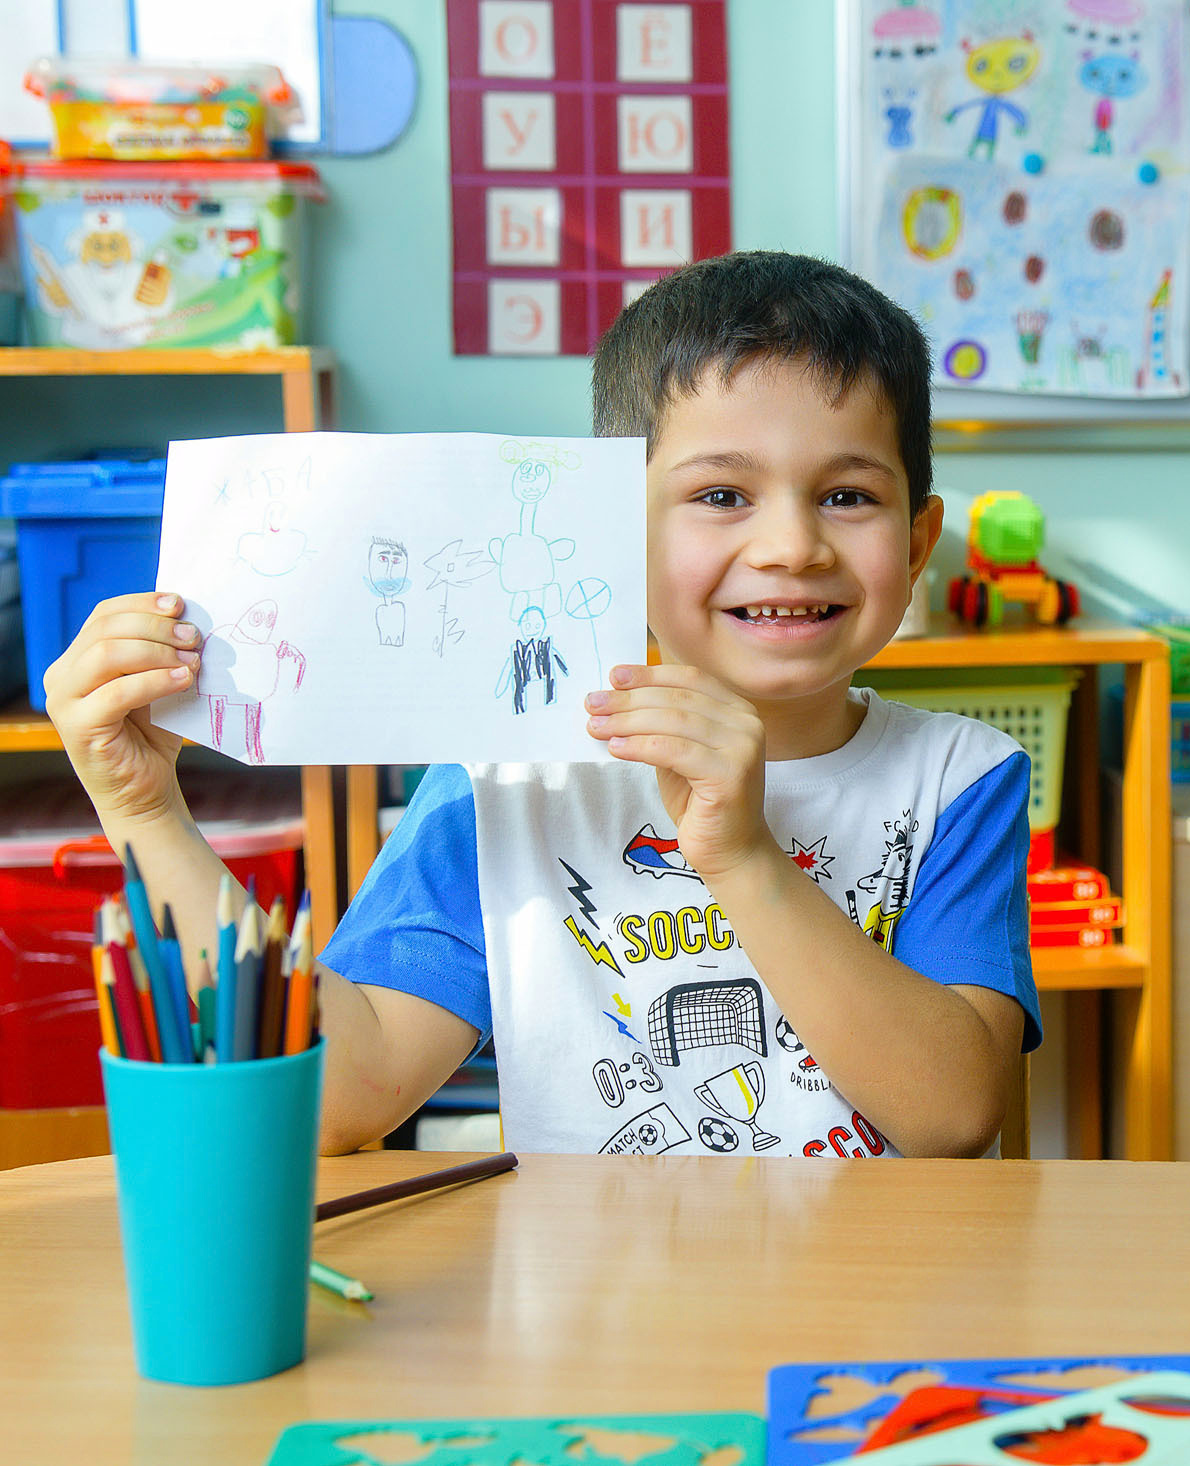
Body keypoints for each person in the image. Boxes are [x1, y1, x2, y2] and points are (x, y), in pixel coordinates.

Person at [46, 251, 1040, 1158]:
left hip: (879, 1327)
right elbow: (348, 1094)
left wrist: (740, 854)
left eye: (847, 496)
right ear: (612, 529)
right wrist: (146, 814)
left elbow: (953, 1112)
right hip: (594, 1332)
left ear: (916, 543)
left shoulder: (959, 775)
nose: (791, 545)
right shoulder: (505, 776)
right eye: (722, 496)